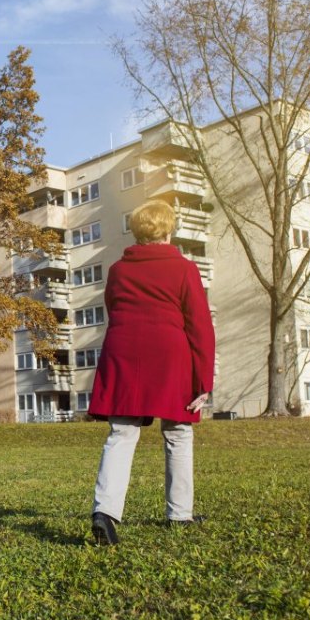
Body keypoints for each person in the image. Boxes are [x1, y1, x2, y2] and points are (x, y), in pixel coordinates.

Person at [87, 199, 215, 545]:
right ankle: (179, 514)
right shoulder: (185, 269)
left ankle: (105, 512)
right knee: (178, 435)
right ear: (168, 230)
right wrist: (204, 380)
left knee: (122, 434)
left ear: (137, 231)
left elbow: (112, 307)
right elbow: (200, 326)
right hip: (170, 355)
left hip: (125, 351)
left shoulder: (118, 269)